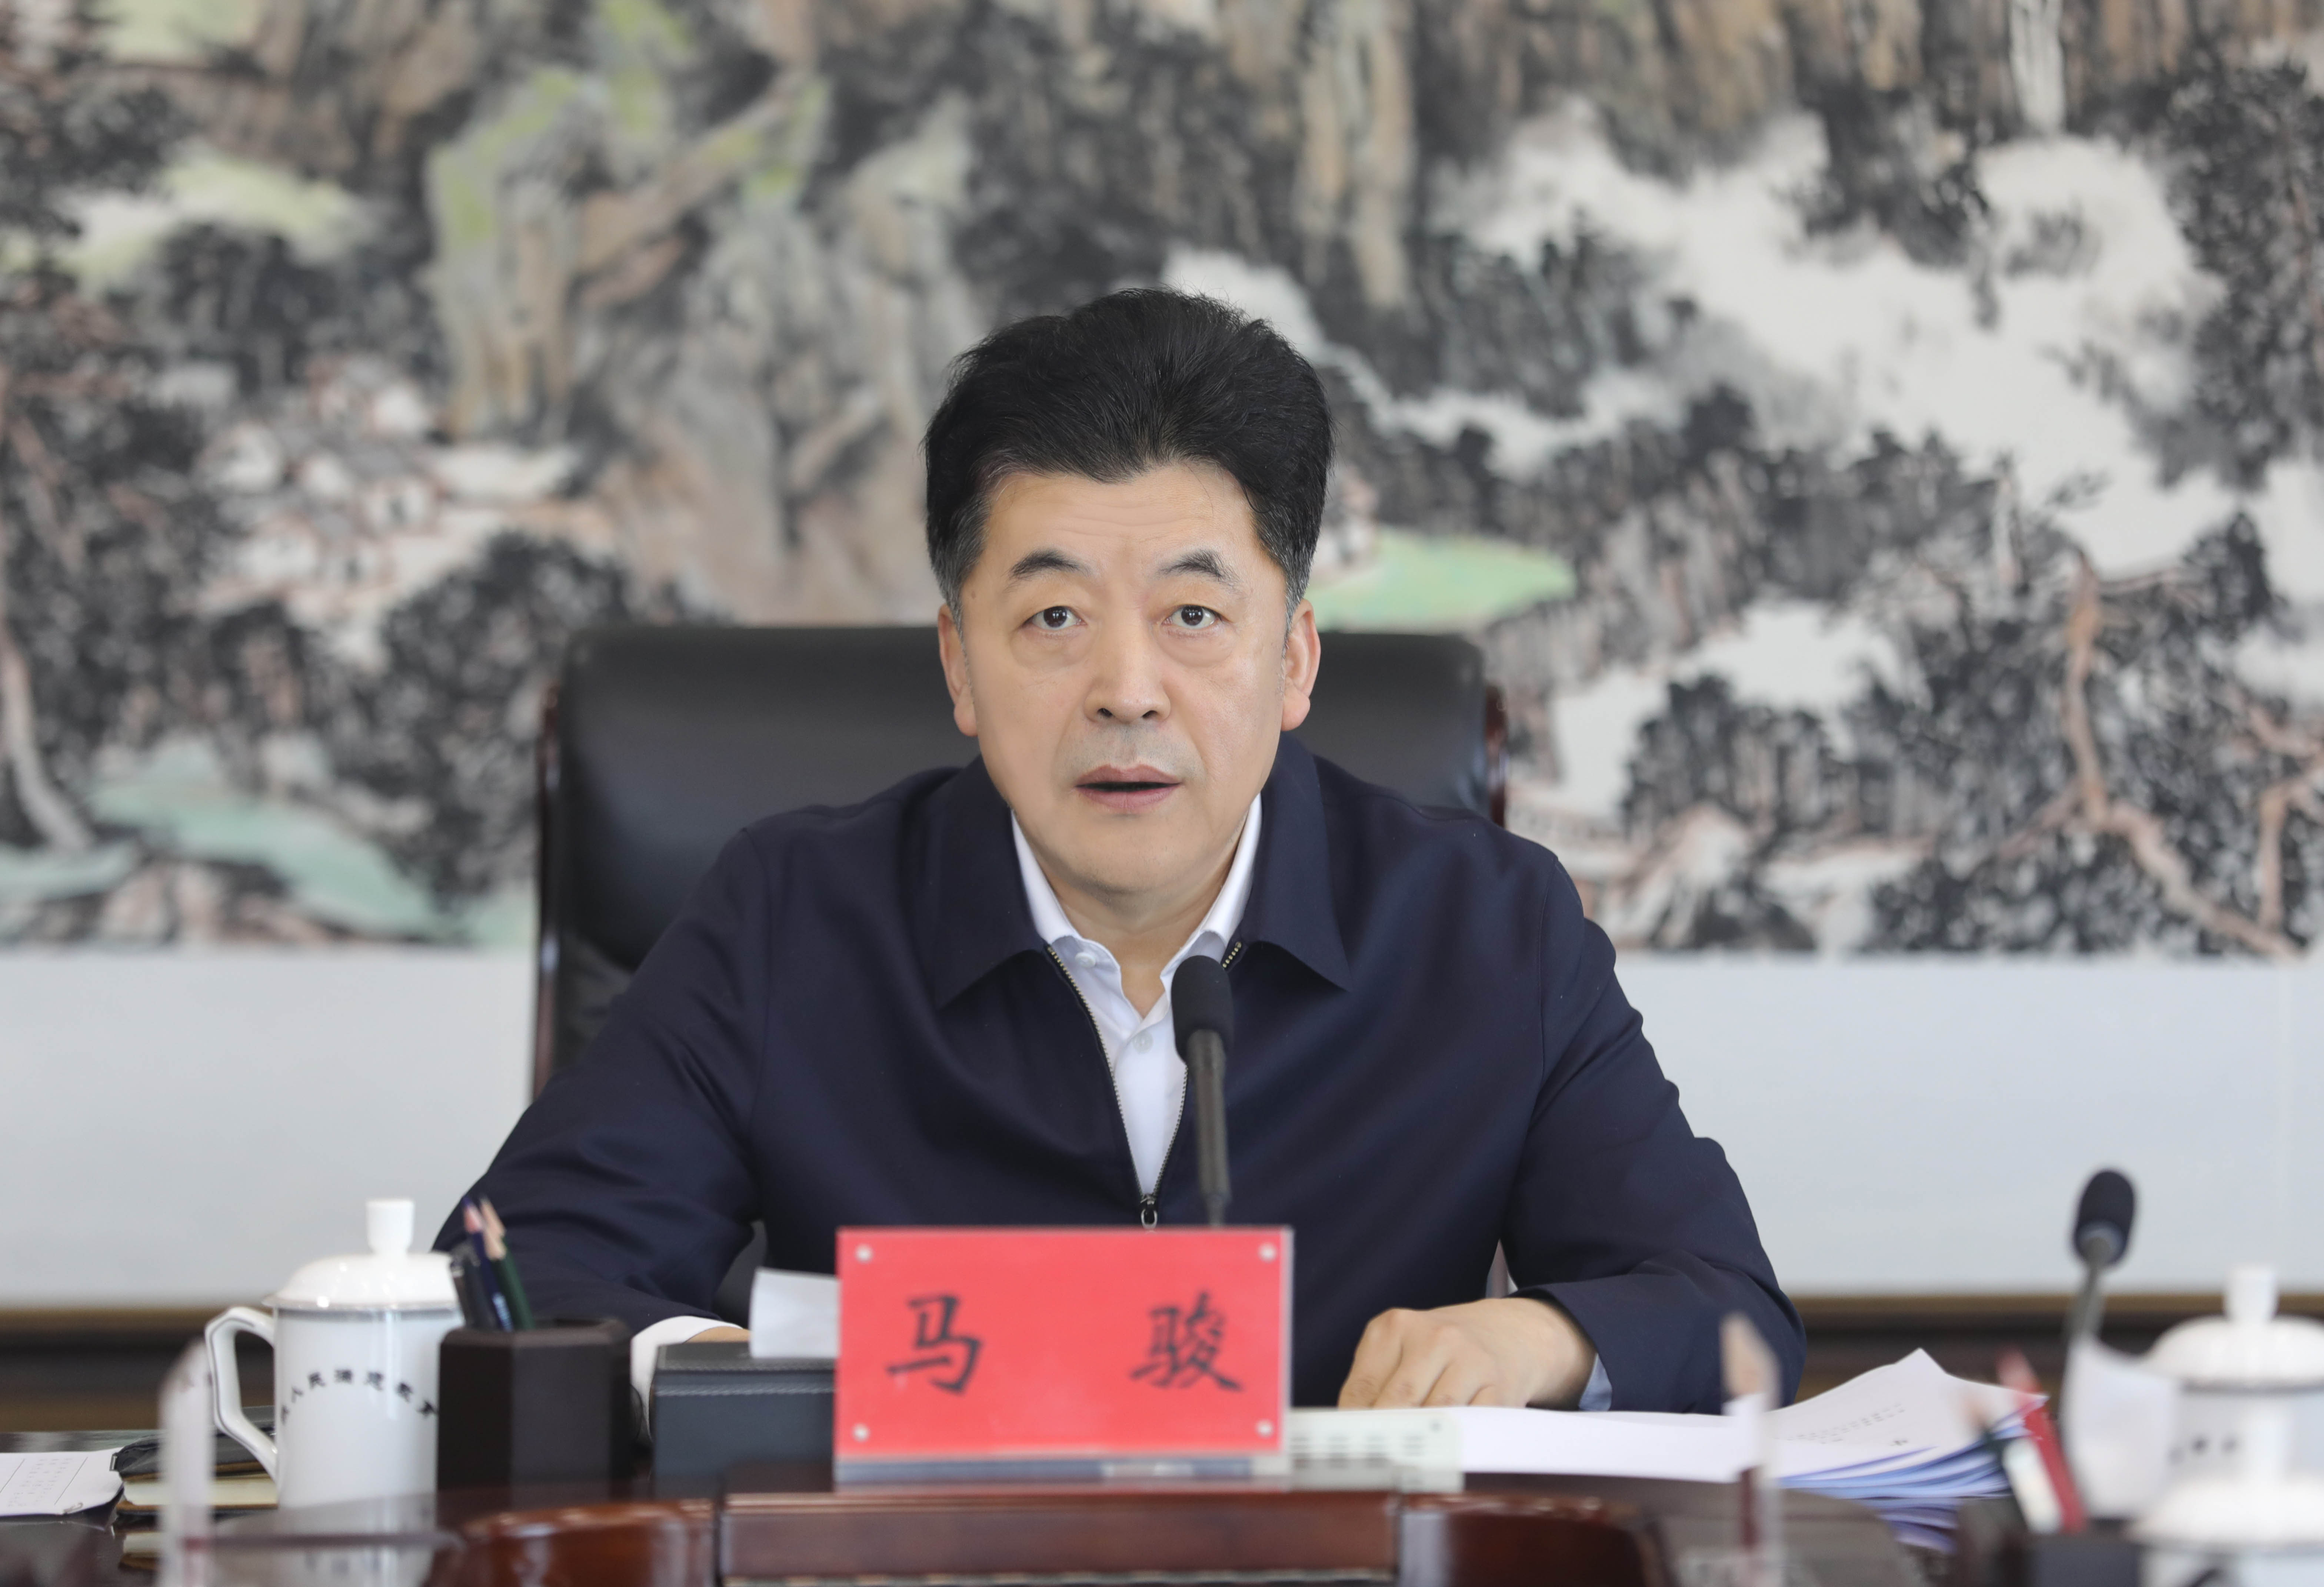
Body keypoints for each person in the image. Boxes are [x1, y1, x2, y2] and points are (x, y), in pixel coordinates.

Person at [445, 289, 1801, 1413]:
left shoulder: (1484, 928)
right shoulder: (791, 919)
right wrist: (747, 1383)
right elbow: (514, 1273)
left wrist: (1540, 1340)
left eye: (1194, 616)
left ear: (1294, 659)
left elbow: (1721, 1310)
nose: (1126, 691)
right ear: (958, 664)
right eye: (1053, 619)